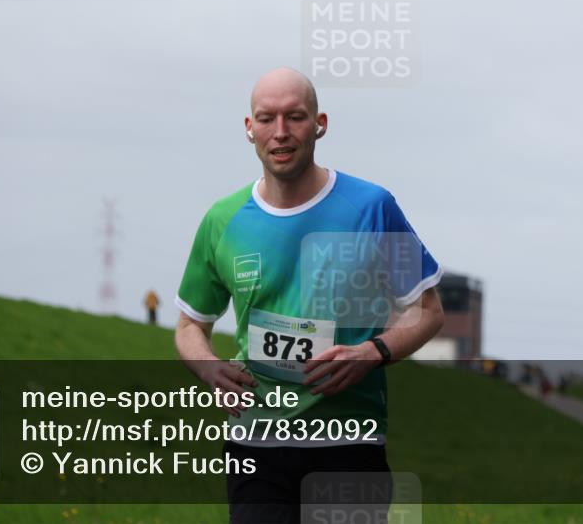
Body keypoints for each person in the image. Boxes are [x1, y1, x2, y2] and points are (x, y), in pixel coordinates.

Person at [173, 67, 445, 524]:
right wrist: (208, 365)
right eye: (267, 118)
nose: (280, 132)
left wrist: (372, 352)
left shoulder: (371, 207)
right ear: (249, 128)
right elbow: (189, 325)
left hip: (348, 441)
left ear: (320, 123)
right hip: (256, 443)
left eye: (295, 117)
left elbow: (428, 311)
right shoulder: (223, 220)